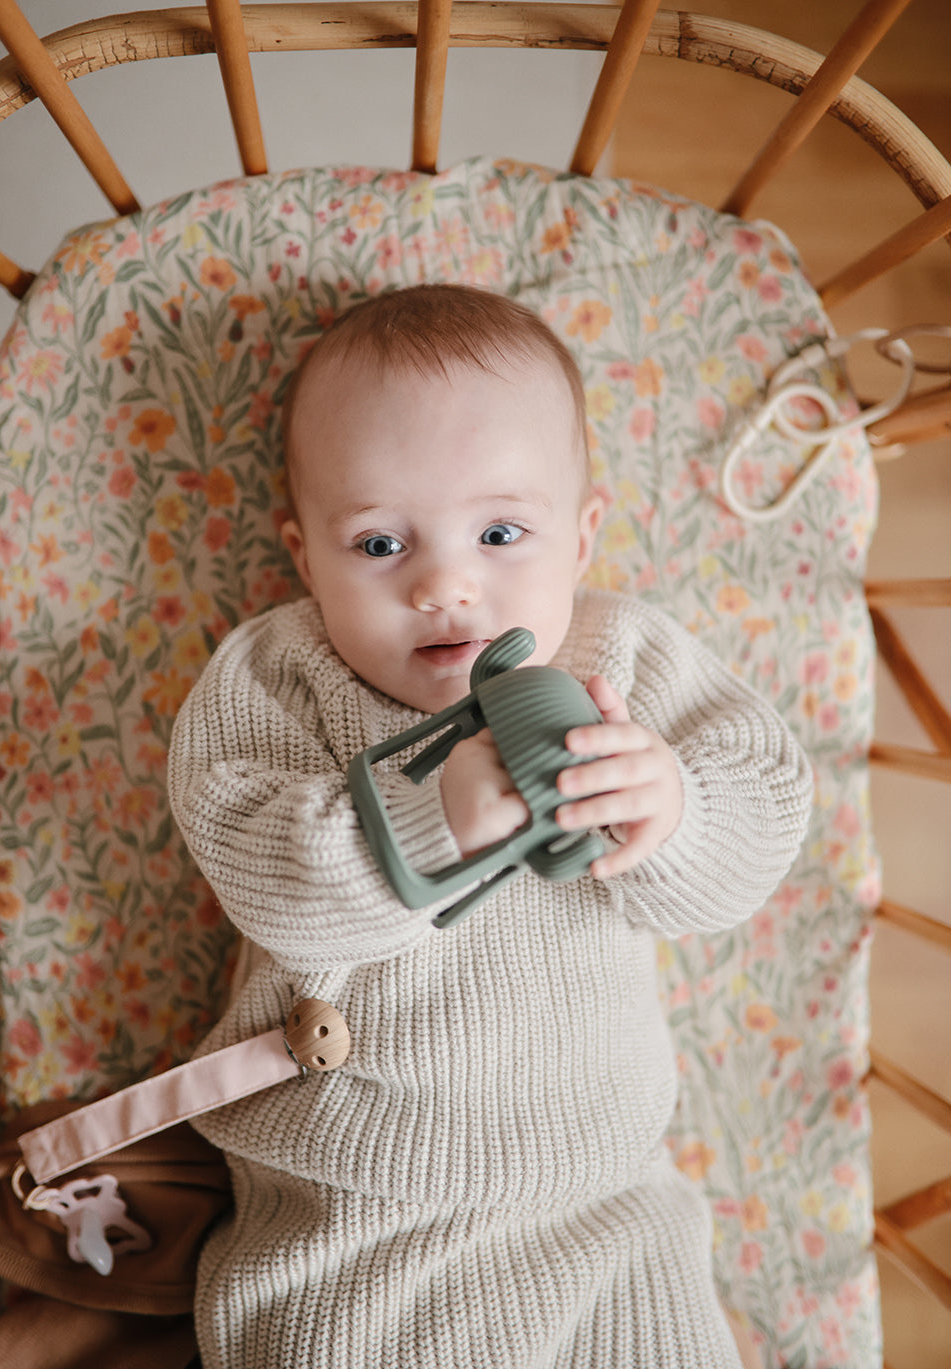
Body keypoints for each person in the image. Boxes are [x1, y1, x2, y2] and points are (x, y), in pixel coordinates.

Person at [167, 283, 811, 1368]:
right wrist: (428, 816)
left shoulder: (626, 660)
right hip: (355, 1210)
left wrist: (675, 807)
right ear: (301, 553)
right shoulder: (281, 677)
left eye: (501, 532)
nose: (446, 583)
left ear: (583, 535)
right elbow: (258, 863)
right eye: (378, 545)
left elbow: (763, 803)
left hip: (608, 1197)